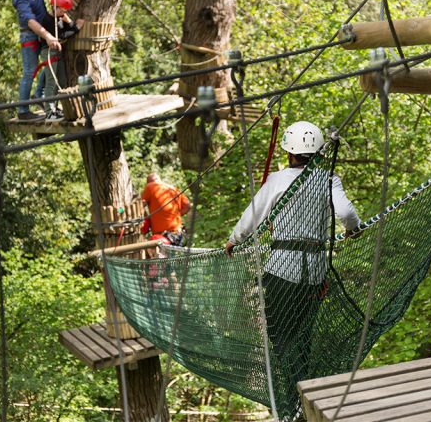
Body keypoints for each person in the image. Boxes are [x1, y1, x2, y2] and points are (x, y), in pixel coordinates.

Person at [223, 121, 360, 420]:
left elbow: (254, 214)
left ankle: (292, 401)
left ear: (289, 152)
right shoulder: (328, 179)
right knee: (303, 335)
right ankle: (302, 396)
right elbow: (348, 214)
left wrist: (234, 240)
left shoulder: (277, 180)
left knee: (281, 338)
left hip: (281, 269)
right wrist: (354, 229)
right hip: (314, 273)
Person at [11, 0, 61, 121]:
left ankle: (38, 94)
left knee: (50, 63)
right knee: (29, 72)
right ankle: (23, 111)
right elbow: (30, 21)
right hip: (31, 35)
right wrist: (47, 36)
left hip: (42, 30)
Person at [32, 0, 85, 122]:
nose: (64, 12)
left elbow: (68, 28)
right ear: (55, 7)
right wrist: (76, 28)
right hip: (49, 52)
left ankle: (55, 108)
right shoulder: (47, 20)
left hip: (58, 53)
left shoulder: (59, 18)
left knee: (62, 81)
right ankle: (49, 112)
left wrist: (70, 22)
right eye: (63, 10)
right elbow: (61, 36)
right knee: (51, 82)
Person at [141, 173, 192, 246]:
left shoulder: (150, 186)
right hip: (178, 234)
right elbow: (187, 206)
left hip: (161, 236)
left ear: (148, 182)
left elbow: (140, 205)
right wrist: (174, 215)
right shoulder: (173, 189)